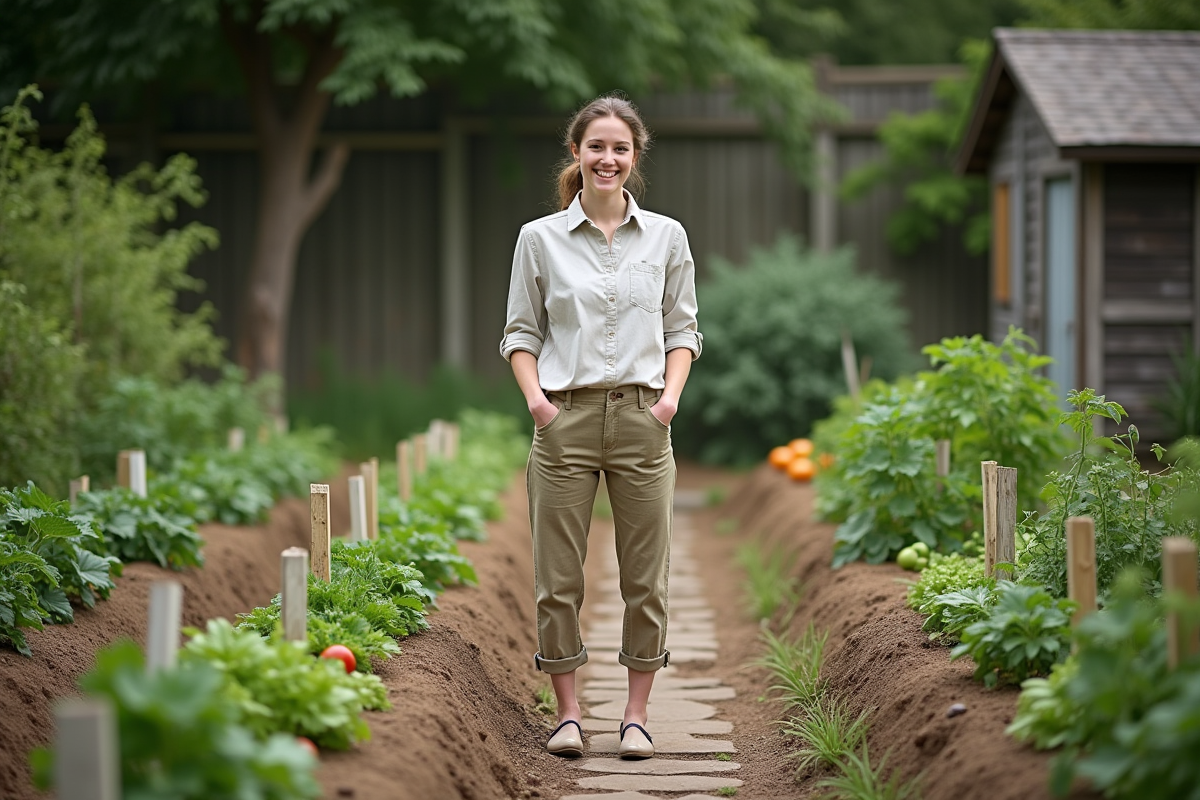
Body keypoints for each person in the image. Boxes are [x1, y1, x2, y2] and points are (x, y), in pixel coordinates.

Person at [499, 95, 702, 760]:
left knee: (647, 578)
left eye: (619, 148)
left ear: (633, 157)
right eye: (595, 147)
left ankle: (636, 716)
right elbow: (520, 333)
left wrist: (668, 401)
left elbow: (683, 330)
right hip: (565, 420)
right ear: (576, 155)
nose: (607, 159)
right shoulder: (540, 239)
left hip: (646, 420)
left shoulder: (667, 237)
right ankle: (568, 714)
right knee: (558, 579)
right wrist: (540, 406)